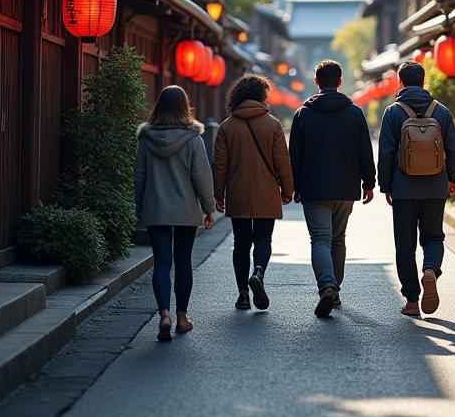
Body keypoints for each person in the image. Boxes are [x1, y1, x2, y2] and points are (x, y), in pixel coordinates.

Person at [289, 59, 376, 317]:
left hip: (313, 188)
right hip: (345, 186)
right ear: (339, 82)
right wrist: (369, 182)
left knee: (320, 239)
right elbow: (364, 150)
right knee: (338, 238)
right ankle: (334, 289)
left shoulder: (303, 114)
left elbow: (295, 155)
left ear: (316, 81)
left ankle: (327, 286)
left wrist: (292, 186)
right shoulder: (354, 113)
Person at [377, 60, 455, 318]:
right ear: (423, 82)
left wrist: (386, 185)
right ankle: (431, 270)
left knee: (405, 244)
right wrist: (451, 178)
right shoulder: (442, 112)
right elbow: (453, 149)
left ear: (400, 82)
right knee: (433, 237)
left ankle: (412, 301)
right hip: (435, 186)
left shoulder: (393, 112)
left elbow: (387, 152)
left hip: (403, 189)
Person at [135, 85, 216, 342]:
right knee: (183, 261)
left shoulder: (146, 138)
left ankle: (164, 314)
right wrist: (208, 208)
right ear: (185, 106)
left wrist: (140, 207)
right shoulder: (193, 139)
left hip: (156, 208)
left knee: (161, 263)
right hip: (185, 210)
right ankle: (182, 318)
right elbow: (202, 177)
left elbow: (139, 178)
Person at [213, 74, 294, 311]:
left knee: (240, 243)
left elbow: (220, 164)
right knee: (262, 239)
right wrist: (287, 189)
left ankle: (242, 294)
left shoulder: (227, 127)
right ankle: (258, 272)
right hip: (266, 190)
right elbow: (282, 161)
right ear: (262, 96)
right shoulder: (272, 124)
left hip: (237, 191)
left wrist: (218, 194)